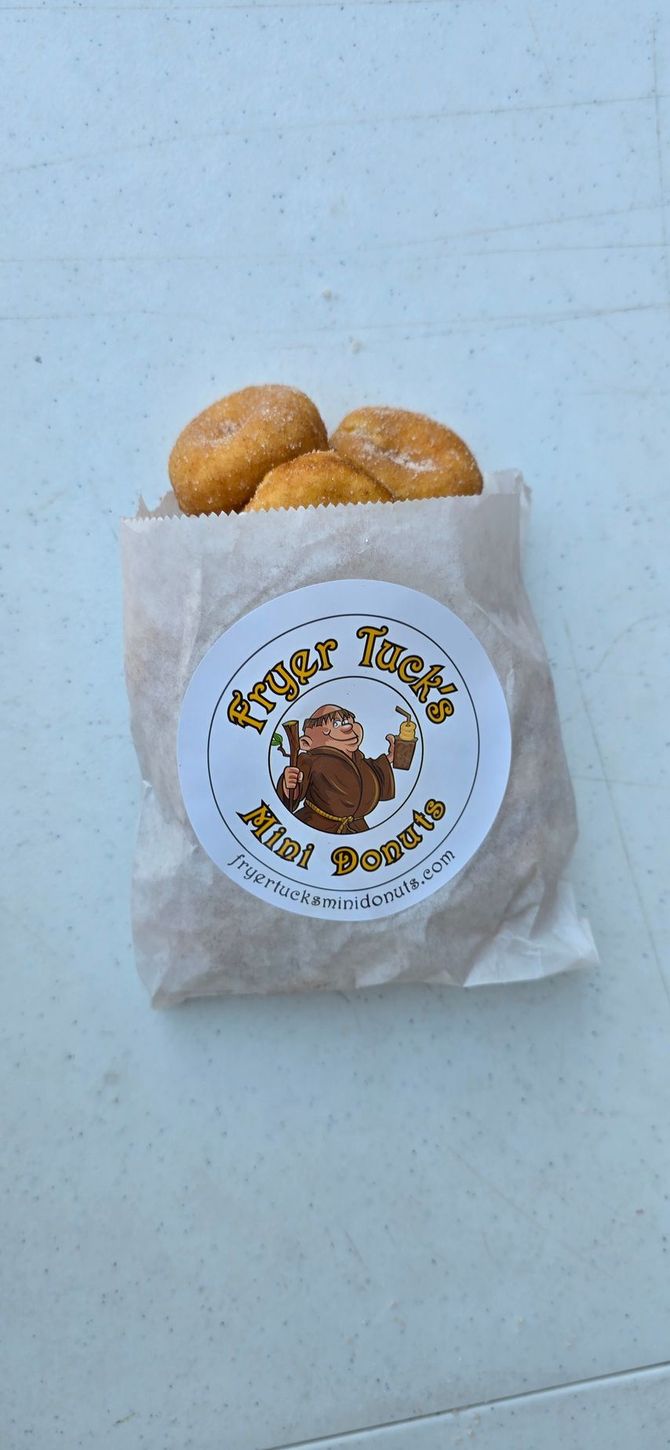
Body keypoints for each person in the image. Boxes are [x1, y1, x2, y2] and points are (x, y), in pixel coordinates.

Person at [277, 703, 396, 835]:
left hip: (357, 830)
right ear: (306, 743)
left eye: (349, 721)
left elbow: (372, 770)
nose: (349, 727)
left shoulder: (358, 760)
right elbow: (292, 796)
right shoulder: (309, 761)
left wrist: (389, 759)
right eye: (336, 724)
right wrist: (288, 786)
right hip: (317, 829)